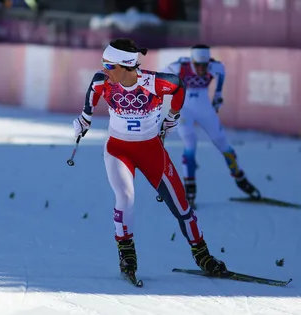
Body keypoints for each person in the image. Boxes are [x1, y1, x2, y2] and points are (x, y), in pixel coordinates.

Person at [72, 38, 227, 279]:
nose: (104, 70)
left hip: (152, 151)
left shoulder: (156, 82)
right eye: (103, 64)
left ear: (126, 66)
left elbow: (178, 87)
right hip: (118, 150)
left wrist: (173, 115)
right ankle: (126, 252)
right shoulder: (103, 81)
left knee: (182, 207)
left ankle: (202, 254)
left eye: (110, 66)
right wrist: (85, 118)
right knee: (125, 196)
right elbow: (93, 89)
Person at [161, 44, 261, 209]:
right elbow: (159, 79)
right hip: (184, 109)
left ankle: (240, 178)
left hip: (204, 107)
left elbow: (221, 76)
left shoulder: (216, 66)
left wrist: (218, 96)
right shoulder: (178, 67)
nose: (201, 69)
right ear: (192, 61)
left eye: (204, 65)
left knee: (222, 142)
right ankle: (189, 189)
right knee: (190, 143)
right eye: (198, 65)